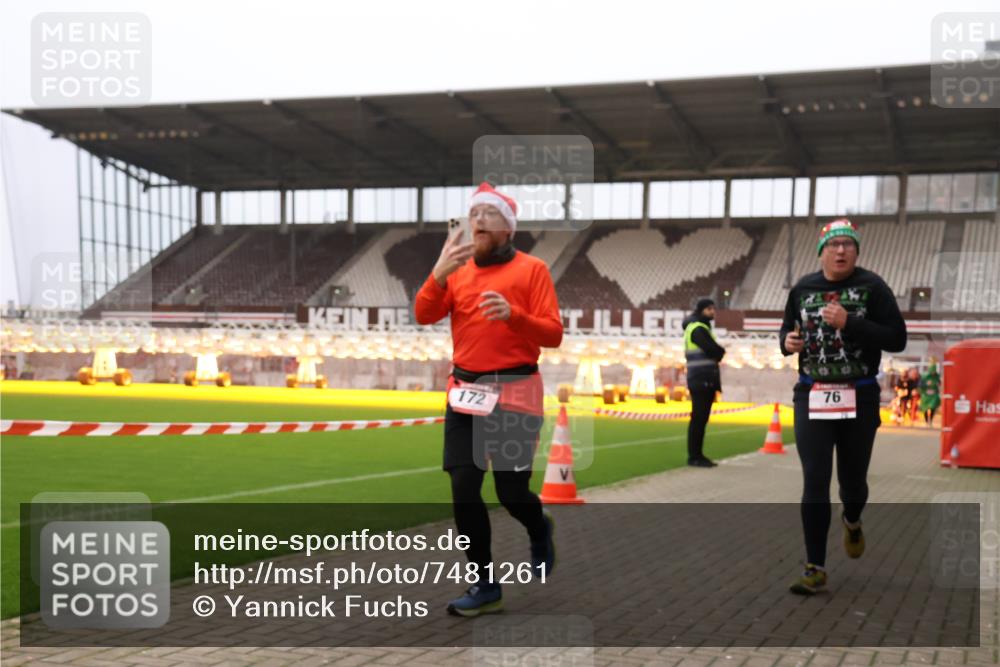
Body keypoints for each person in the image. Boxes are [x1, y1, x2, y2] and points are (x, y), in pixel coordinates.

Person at [414, 182, 563, 617]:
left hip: (516, 391)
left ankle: (539, 526)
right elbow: (424, 314)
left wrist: (514, 316)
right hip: (465, 392)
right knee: (463, 487)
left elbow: (552, 333)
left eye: (489, 214)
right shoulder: (456, 268)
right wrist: (437, 274)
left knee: (512, 491)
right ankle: (484, 585)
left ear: (509, 228)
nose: (478, 219)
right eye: (474, 212)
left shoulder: (532, 269)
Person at [780, 219, 906, 595]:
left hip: (860, 394)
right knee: (815, 479)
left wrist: (850, 322)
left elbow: (897, 338)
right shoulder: (803, 288)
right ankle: (814, 567)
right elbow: (787, 330)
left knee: (852, 484)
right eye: (833, 244)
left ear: (856, 252)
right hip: (812, 393)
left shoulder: (873, 287)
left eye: (847, 245)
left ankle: (852, 520)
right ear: (822, 251)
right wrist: (787, 342)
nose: (840, 250)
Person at [682, 298, 726, 467]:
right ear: (701, 310)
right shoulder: (698, 329)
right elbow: (714, 350)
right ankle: (695, 456)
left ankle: (697, 455)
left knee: (700, 419)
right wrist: (720, 351)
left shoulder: (699, 327)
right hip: (701, 379)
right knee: (699, 419)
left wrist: (719, 351)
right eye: (709, 309)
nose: (713, 312)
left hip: (701, 378)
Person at [919, 361, 941, 426]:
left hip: (933, 395)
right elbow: (920, 385)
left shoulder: (937, 377)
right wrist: (926, 384)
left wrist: (938, 384)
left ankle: (930, 420)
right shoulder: (924, 376)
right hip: (926, 395)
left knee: (932, 407)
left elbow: (939, 383)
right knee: (925, 408)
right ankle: (926, 421)